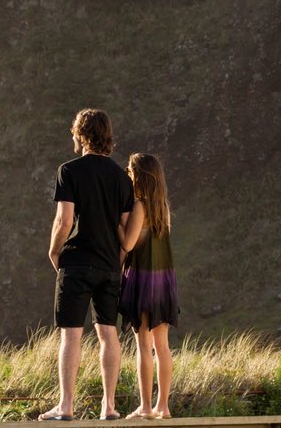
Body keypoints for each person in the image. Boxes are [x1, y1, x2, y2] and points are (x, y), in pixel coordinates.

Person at [39, 108, 133, 421]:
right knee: (109, 334)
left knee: (71, 334)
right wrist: (117, 262)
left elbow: (64, 219)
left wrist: (55, 252)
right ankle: (109, 406)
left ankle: (66, 406)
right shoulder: (122, 177)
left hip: (77, 262)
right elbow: (125, 229)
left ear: (80, 134)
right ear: (107, 136)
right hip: (110, 264)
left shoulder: (69, 170)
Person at [119, 153, 179, 420]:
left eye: (130, 171)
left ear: (139, 175)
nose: (127, 174)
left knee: (143, 346)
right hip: (164, 281)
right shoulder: (163, 208)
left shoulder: (140, 206)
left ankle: (145, 406)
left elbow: (128, 244)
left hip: (142, 280)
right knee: (162, 346)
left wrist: (118, 225)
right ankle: (163, 406)